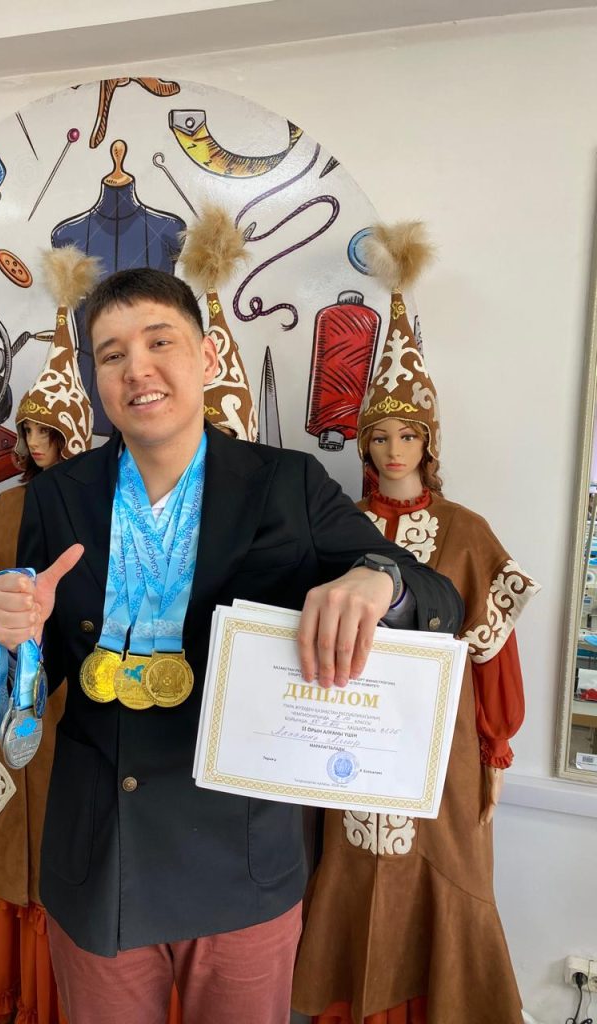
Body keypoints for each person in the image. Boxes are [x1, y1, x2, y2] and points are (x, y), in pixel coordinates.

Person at [0, 266, 464, 1024]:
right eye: (112, 354)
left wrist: (378, 580)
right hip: (99, 853)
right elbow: (41, 679)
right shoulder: (58, 497)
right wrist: (16, 639)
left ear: (205, 357)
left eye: (159, 342)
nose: (137, 369)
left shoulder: (288, 485)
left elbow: (438, 601)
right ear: (97, 379)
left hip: (240, 856)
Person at [291, 223, 540, 1024]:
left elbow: (493, 654)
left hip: (444, 747)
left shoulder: (466, 532)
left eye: (408, 435)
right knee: (353, 869)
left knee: (446, 873)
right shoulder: (338, 525)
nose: (394, 449)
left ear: (429, 442)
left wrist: (495, 748)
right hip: (349, 735)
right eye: (380, 436)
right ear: (364, 445)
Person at [0, 248, 96, 1024]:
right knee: (11, 830)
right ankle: (18, 985)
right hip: (4, 691)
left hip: (69, 697)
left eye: (51, 432)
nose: (39, 444)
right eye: (30, 431)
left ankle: (63, 992)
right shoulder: (7, 508)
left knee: (58, 831)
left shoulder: (96, 511)